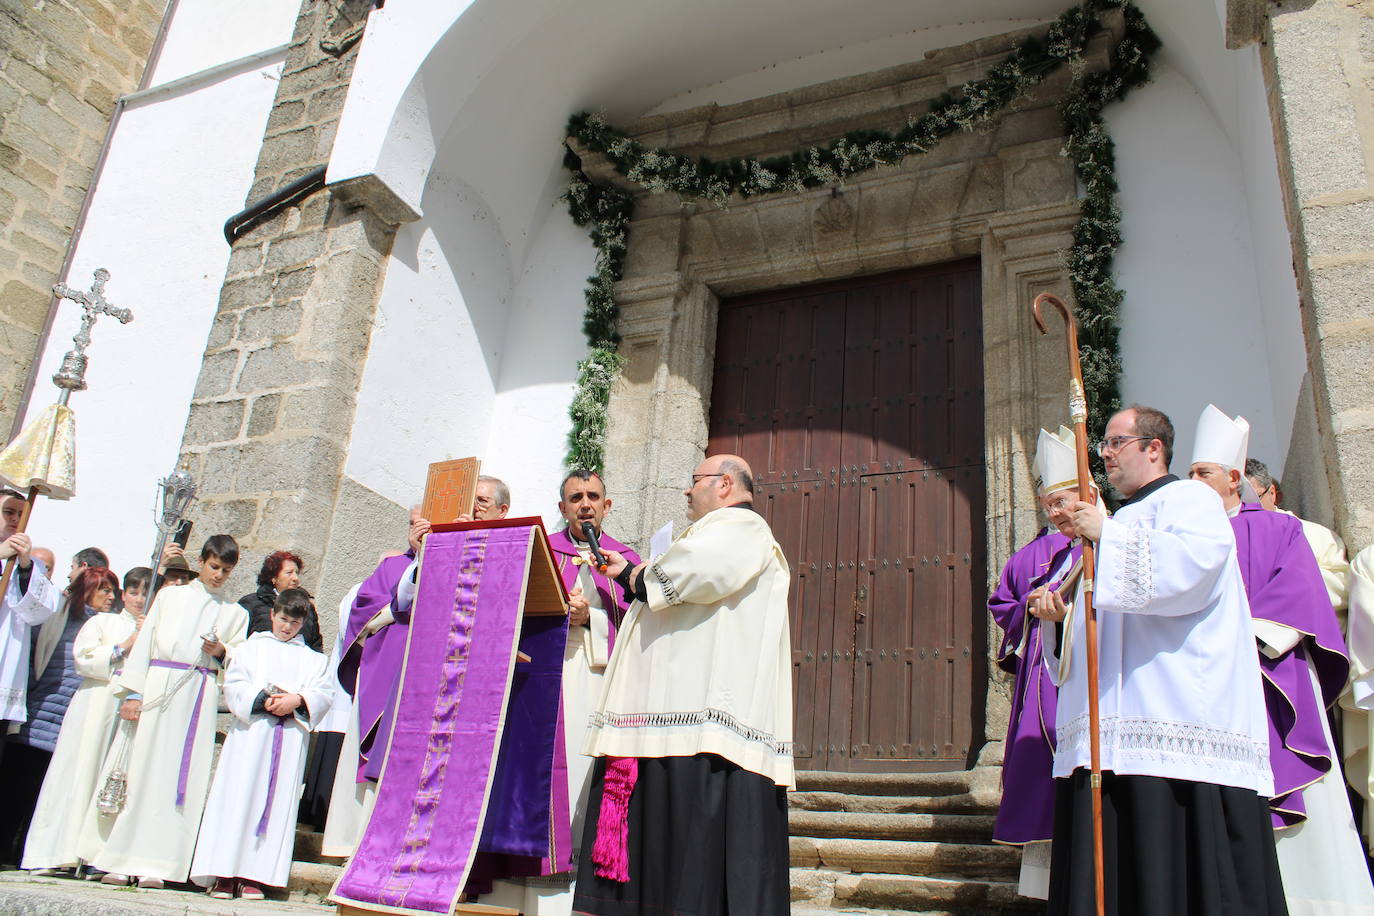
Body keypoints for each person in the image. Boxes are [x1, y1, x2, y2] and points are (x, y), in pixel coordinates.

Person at [1035, 405, 1284, 915]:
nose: (1104, 455)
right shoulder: (1115, 520)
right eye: (1102, 445)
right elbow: (1096, 620)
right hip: (1112, 728)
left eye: (1115, 442)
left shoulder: (1189, 499)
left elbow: (1191, 570)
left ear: (1154, 448)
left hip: (1174, 717)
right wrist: (1058, 619)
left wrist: (1107, 535)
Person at [573, 454, 792, 916]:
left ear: (726, 484)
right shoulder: (719, 534)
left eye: (695, 482)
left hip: (698, 724)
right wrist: (633, 571)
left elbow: (698, 573)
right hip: (669, 719)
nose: (688, 492)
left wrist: (635, 575)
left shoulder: (741, 528)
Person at [1188, 405, 1372, 912]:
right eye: (1190, 474)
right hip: (1211, 688)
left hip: (1274, 675)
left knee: (1302, 798)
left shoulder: (1278, 529)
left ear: (1233, 478)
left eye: (1203, 473)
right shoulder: (1185, 537)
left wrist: (1245, 640)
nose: (1194, 482)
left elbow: (1300, 594)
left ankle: (1323, 902)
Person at [87, 535, 249, 888]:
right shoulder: (171, 596)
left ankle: (159, 864)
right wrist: (133, 692)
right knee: (141, 769)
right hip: (159, 684)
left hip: (197, 692)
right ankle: (119, 857)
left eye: (226, 570)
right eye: (214, 566)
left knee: (177, 778)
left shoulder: (234, 612)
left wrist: (221, 649)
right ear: (202, 562)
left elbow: (239, 659)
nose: (219, 575)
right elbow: (146, 644)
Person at [988, 427, 1084, 900]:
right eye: (1048, 501)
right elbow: (1002, 603)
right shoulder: (1025, 557)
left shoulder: (1100, 543)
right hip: (1042, 671)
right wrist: (1028, 608)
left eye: (1062, 500)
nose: (1054, 510)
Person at [191, 588, 333, 900]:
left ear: (303, 623)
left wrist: (297, 699)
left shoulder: (313, 660)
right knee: (237, 797)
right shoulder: (249, 650)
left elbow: (323, 694)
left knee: (273, 802)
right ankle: (224, 873)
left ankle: (254, 875)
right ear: (272, 614)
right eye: (283, 619)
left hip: (288, 737)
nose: (287, 627)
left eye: (295, 623)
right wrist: (263, 699)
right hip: (251, 736)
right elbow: (235, 684)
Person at [21, 567, 147, 877]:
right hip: (94, 701)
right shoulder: (102, 621)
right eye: (133, 592)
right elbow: (84, 658)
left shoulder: (152, 628)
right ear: (124, 595)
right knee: (77, 771)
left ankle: (97, 854)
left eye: (146, 593)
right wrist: (125, 646)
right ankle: (59, 851)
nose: (139, 599)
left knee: (110, 776)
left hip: (125, 708)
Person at [0, 566, 118, 869]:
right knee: (17, 791)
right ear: (87, 589)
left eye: (112, 590)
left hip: (70, 722)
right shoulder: (60, 621)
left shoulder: (108, 627)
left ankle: (25, 853)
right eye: (103, 589)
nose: (110, 596)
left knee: (47, 796)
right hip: (39, 716)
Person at [1245, 458, 1350, 620]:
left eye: (1253, 500)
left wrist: (1286, 585)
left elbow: (1344, 588)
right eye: (1240, 505)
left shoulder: (1316, 535)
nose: (1247, 510)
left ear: (1272, 493)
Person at [0, 489, 59, 733]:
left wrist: (24, 567)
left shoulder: (31, 564)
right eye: (8, 512)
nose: (15, 519)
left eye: (21, 514)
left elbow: (41, 613)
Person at [241, 550, 322, 651]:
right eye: (289, 573)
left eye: (297, 573)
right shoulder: (251, 603)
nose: (295, 578)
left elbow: (315, 645)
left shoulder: (307, 608)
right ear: (274, 578)